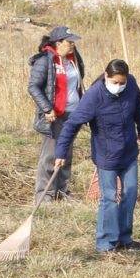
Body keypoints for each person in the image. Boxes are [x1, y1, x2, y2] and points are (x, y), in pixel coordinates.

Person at [55, 59, 140, 252]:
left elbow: (139, 105)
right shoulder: (93, 97)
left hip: (129, 151)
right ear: (106, 76)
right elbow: (72, 125)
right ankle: (106, 243)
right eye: (115, 82)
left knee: (130, 193)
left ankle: (125, 239)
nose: (119, 86)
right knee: (109, 197)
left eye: (122, 83)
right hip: (107, 156)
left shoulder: (131, 84)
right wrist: (61, 152)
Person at [27, 25, 86, 201]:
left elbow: (79, 82)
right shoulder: (45, 60)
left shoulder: (74, 58)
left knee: (66, 155)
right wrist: (47, 108)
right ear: (58, 43)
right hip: (54, 115)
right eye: (69, 42)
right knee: (51, 156)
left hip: (73, 113)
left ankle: (62, 192)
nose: (73, 45)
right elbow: (33, 87)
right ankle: (44, 196)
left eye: (73, 41)